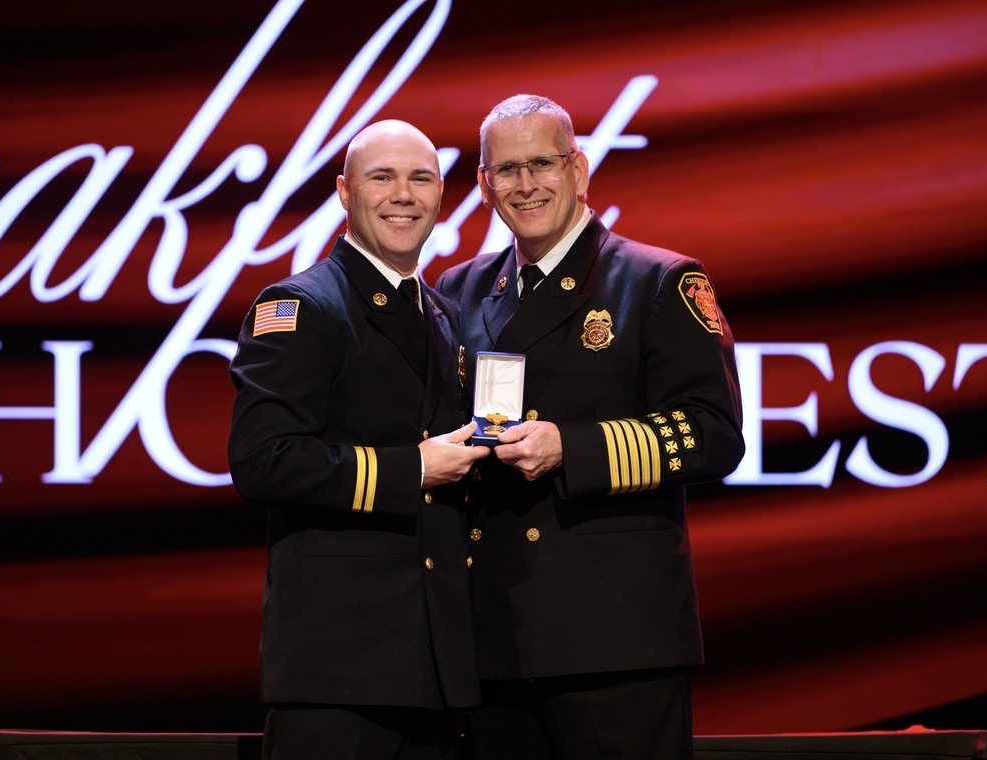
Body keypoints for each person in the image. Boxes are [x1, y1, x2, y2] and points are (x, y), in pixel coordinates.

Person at [436, 94, 745, 759]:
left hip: (612, 641)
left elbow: (712, 432)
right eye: (507, 170)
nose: (525, 185)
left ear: (579, 170)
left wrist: (568, 448)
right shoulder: (458, 290)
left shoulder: (657, 281)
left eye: (541, 164)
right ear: (484, 186)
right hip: (490, 635)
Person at [228, 119, 489, 760]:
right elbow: (263, 460)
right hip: (337, 669)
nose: (404, 194)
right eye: (382, 177)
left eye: (420, 178)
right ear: (345, 192)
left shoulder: (443, 313)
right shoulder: (300, 305)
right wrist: (411, 470)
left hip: (435, 671)